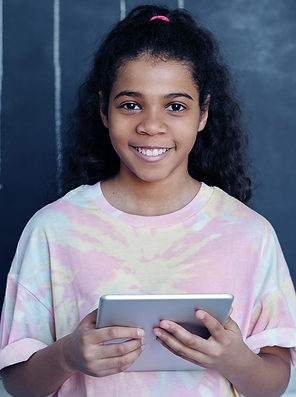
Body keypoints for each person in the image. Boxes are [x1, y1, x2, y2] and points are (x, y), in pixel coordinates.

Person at [0, 4, 296, 397]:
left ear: (203, 113)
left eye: (175, 106)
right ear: (104, 110)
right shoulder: (53, 230)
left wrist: (234, 360)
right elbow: (17, 383)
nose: (151, 125)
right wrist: (67, 356)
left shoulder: (249, 234)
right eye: (130, 104)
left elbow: (275, 382)